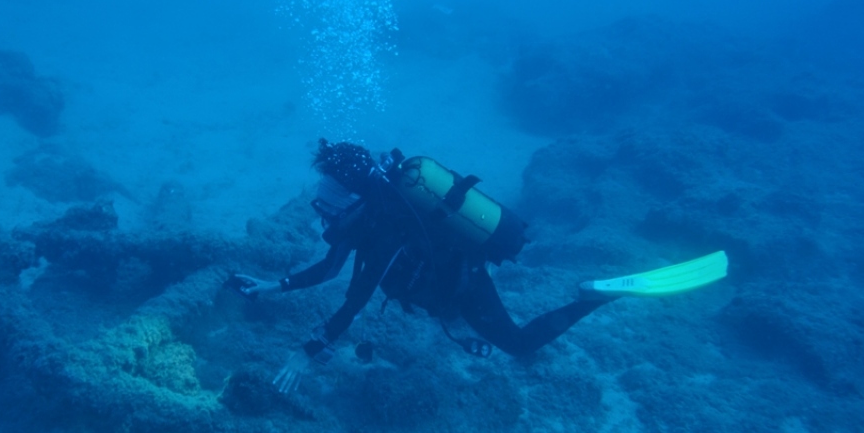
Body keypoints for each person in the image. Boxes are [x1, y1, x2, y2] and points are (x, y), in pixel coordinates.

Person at [233, 140, 727, 393]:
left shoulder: (381, 229)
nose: (324, 215)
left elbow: (354, 299)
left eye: (326, 206)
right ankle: (465, 323)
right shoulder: (384, 204)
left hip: (462, 285)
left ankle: (599, 295)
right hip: (450, 275)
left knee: (518, 345)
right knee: (450, 318)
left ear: (347, 197)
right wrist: (273, 285)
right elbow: (327, 268)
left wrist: (308, 350)